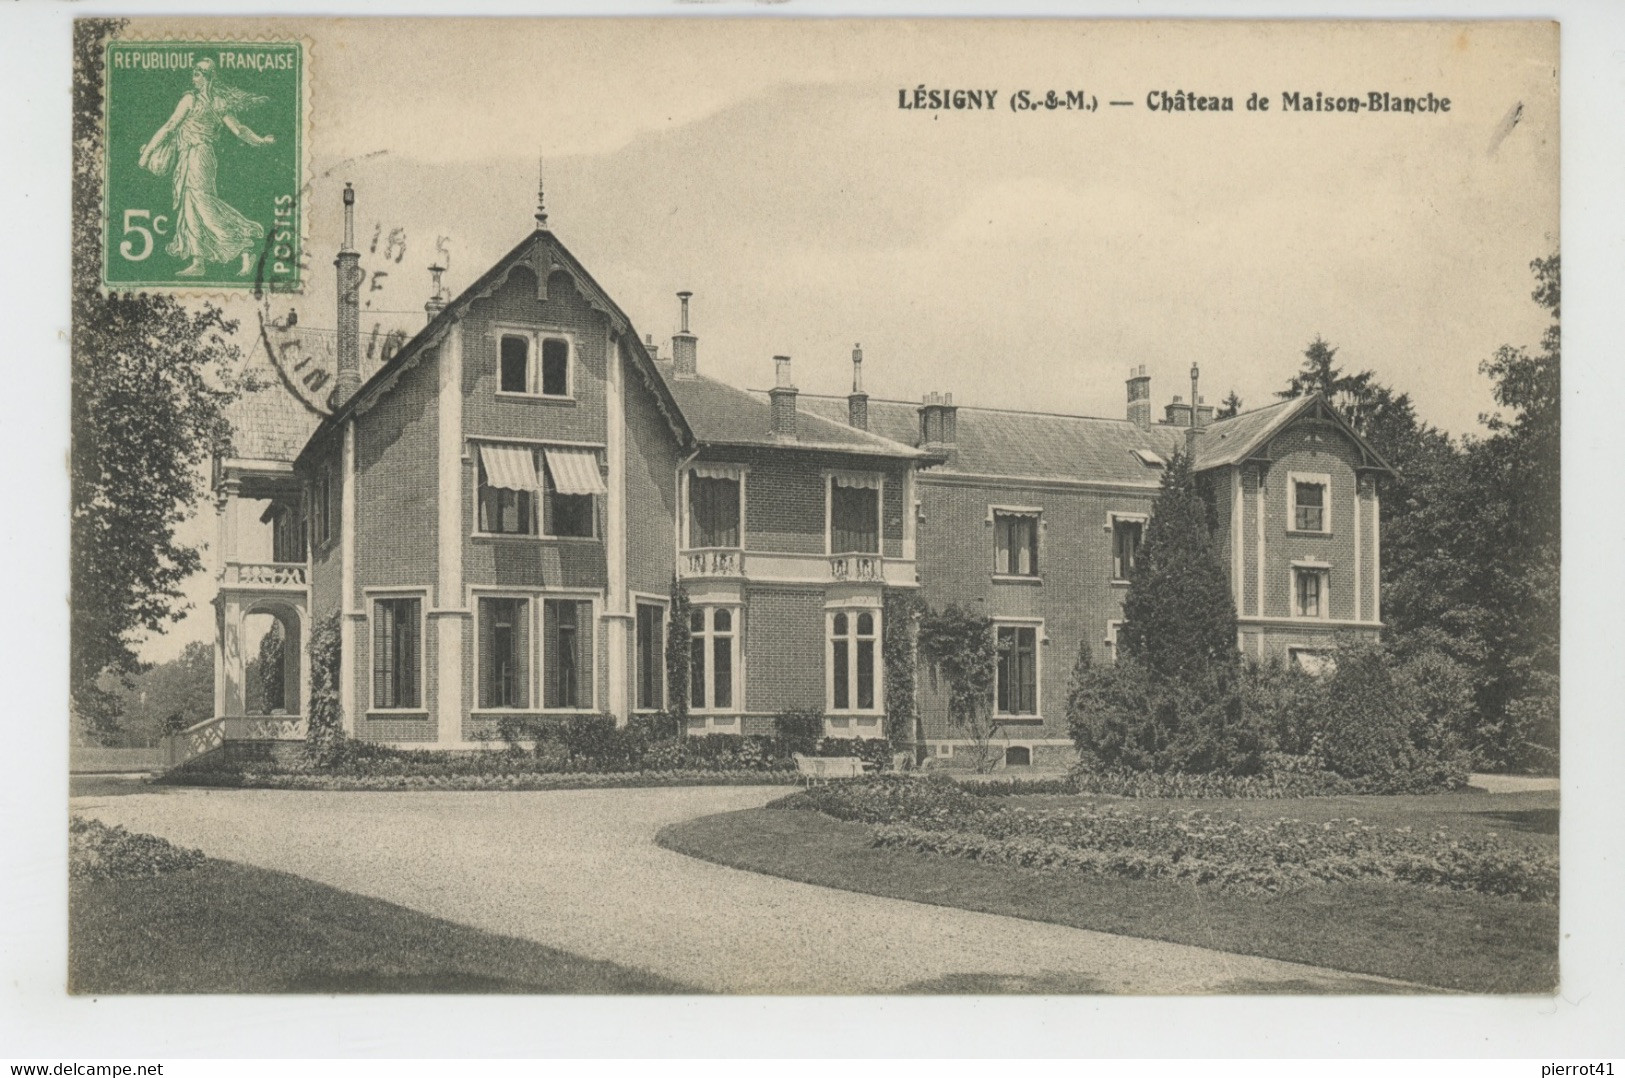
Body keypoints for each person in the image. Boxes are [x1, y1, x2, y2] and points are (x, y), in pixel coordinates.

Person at [138, 58, 275, 277]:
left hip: (198, 156)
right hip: (194, 156)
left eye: (198, 72)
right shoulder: (212, 101)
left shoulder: (192, 100)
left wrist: (146, 155)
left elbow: (171, 126)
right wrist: (260, 140)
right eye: (194, 71)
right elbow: (238, 130)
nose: (194, 75)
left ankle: (243, 244)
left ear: (207, 76)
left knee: (201, 205)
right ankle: (199, 261)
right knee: (192, 206)